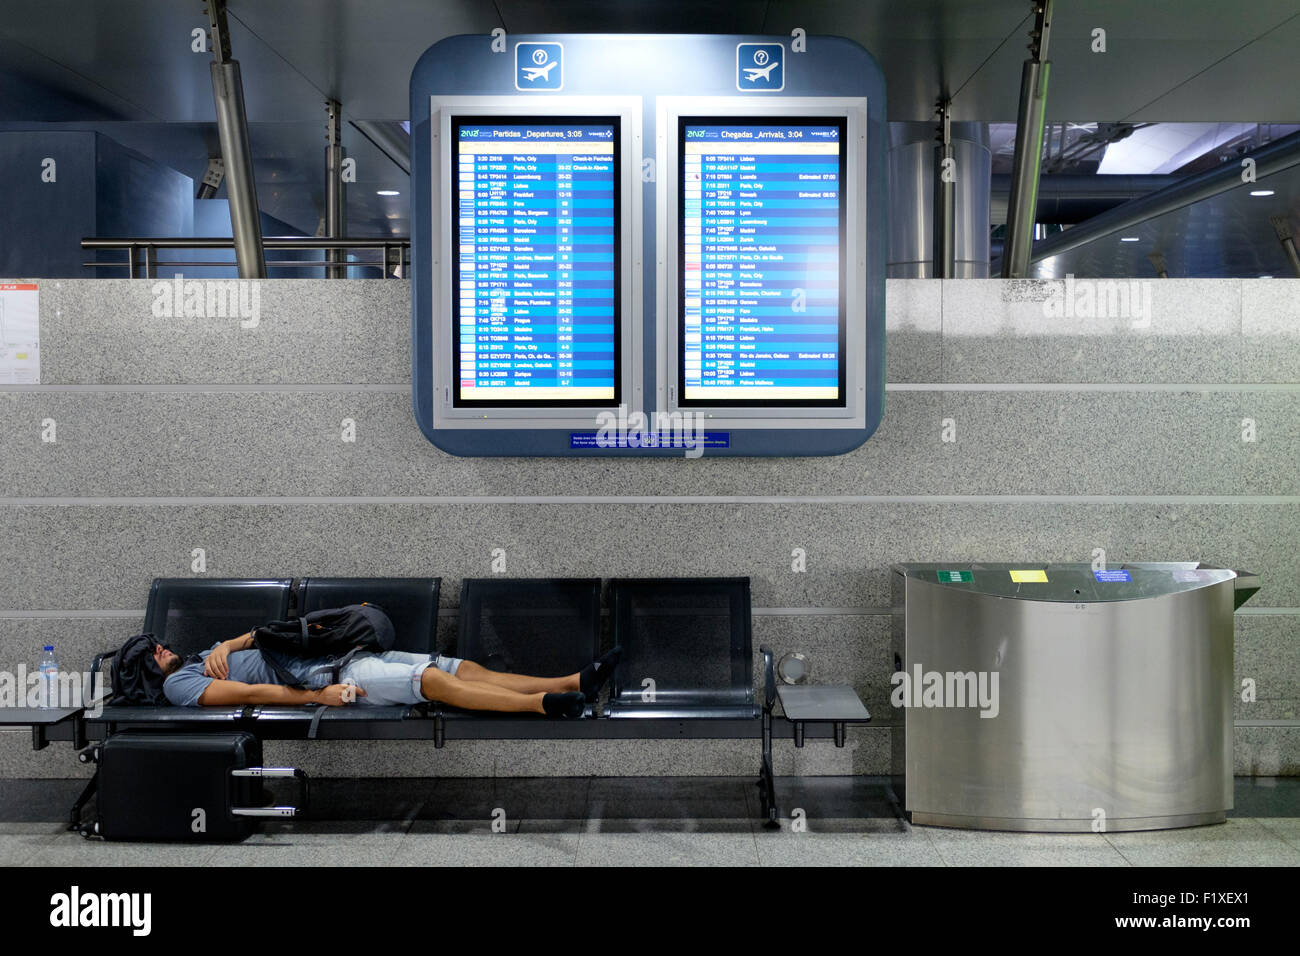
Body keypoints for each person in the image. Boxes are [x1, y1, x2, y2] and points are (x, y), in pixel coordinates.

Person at [156, 632, 621, 718]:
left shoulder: (200, 656)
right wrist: (318, 698)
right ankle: (544, 706)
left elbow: (266, 638)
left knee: (458, 667)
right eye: (152, 653)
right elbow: (254, 693)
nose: (162, 649)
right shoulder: (179, 685)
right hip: (331, 677)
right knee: (432, 683)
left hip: (347, 652)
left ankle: (572, 684)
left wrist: (230, 643)